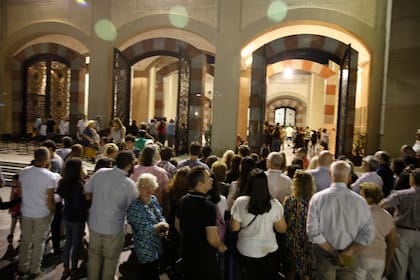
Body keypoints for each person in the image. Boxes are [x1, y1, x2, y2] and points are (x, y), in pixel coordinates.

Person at [306, 161, 375, 280]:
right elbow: (368, 233)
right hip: (350, 254)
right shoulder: (360, 201)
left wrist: (332, 251)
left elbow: (312, 231)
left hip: (324, 253)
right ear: (349, 178)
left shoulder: (317, 198)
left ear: (330, 175)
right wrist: (349, 251)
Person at [85, 151, 138, 279]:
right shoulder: (129, 184)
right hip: (114, 227)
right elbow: (134, 207)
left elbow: (87, 191)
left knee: (94, 256)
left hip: (95, 223)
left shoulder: (100, 173)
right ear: (130, 165)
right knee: (111, 259)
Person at [230, 168, 287, 280]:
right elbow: (282, 229)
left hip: (246, 249)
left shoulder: (240, 202)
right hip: (268, 249)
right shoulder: (274, 204)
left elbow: (234, 227)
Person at [175, 166, 227, 280]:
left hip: (187, 253)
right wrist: (221, 246)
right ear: (199, 184)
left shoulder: (183, 200)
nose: (211, 179)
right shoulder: (208, 206)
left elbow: (177, 225)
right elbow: (212, 239)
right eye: (208, 178)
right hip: (205, 258)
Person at [18, 147, 60, 278]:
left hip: (26, 211)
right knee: (39, 242)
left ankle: (22, 266)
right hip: (42, 213)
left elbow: (20, 193)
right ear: (47, 159)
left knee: (25, 240)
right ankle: (34, 269)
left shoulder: (24, 172)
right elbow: (50, 200)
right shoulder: (50, 176)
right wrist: (52, 211)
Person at [127, 173, 169, 280]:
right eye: (144, 186)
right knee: (148, 273)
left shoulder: (153, 199)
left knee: (155, 272)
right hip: (145, 247)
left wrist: (165, 226)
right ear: (138, 188)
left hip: (157, 244)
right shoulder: (135, 206)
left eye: (151, 186)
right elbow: (144, 230)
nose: (148, 189)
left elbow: (160, 215)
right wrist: (161, 225)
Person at [381, 167, 420, 279]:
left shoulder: (400, 194)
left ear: (412, 179)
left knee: (399, 267)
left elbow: (382, 205)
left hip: (402, 231)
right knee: (417, 268)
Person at [56, 158, 89, 279]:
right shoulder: (79, 185)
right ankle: (74, 268)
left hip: (66, 214)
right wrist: (88, 201)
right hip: (77, 217)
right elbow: (79, 204)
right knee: (76, 243)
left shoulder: (63, 182)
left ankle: (66, 268)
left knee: (68, 242)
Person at [355, 182, 396, 280]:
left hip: (361, 255)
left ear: (369, 198)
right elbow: (392, 242)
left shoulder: (360, 212)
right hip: (380, 257)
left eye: (361, 195)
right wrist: (388, 263)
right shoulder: (387, 215)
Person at [283, 170, 315, 280]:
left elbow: (284, 218)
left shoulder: (290, 200)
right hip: (309, 238)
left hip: (292, 237)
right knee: (306, 267)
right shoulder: (314, 201)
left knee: (291, 268)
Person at [8, 174, 21, 244]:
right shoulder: (15, 187)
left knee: (19, 223)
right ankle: (11, 235)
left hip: (19, 208)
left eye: (15, 180)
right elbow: (11, 197)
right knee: (14, 223)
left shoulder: (18, 188)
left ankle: (13, 235)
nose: (14, 181)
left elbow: (12, 197)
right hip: (15, 208)